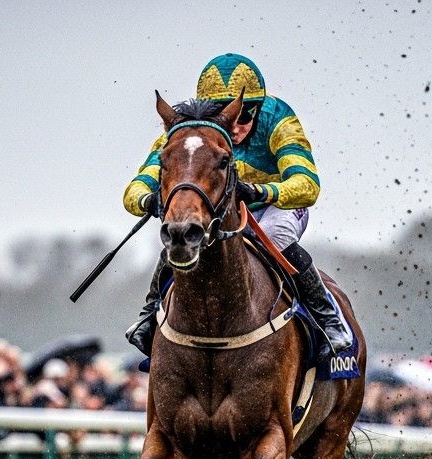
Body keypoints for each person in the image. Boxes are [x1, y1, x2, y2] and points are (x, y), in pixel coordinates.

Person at [121, 52, 350, 363]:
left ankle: (328, 319)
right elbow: (134, 189)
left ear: (258, 107)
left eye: (246, 114)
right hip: (220, 213)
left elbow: (307, 185)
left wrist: (259, 190)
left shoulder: (278, 119)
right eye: (228, 114)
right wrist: (150, 200)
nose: (237, 124)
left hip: (273, 207)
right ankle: (150, 316)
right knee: (181, 241)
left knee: (274, 237)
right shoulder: (188, 132)